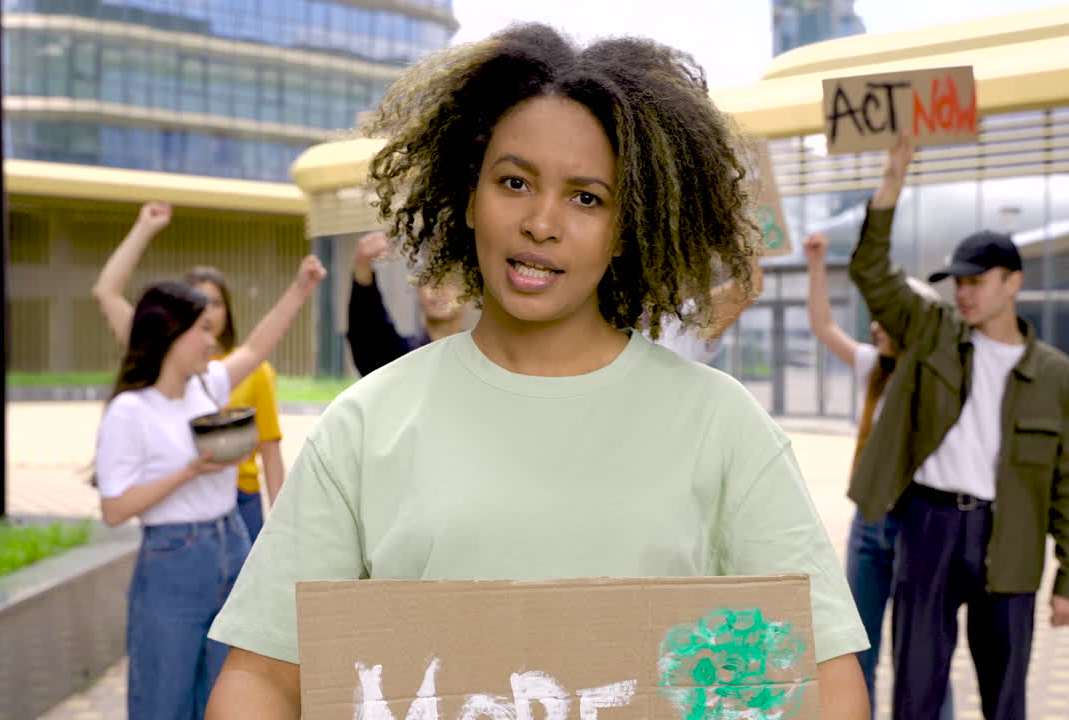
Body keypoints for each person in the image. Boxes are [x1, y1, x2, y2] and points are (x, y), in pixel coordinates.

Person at [205, 24, 870, 720]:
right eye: (514, 182)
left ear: (627, 228)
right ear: (468, 197)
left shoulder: (721, 424)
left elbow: (823, 676)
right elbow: (266, 677)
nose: (542, 222)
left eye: (587, 197)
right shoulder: (367, 423)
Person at [848, 135, 1069, 720]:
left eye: (975, 280)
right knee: (915, 691)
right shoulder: (930, 329)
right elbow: (869, 271)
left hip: (1008, 535)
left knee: (1005, 696)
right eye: (956, 281)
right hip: (929, 525)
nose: (961, 292)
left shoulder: (1057, 375)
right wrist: (892, 179)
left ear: (1012, 282)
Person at [94, 257, 325, 720]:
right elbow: (115, 508)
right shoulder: (130, 411)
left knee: (226, 696)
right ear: (170, 334)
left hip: (232, 544)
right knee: (164, 698)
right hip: (174, 561)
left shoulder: (208, 387)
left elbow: (258, 348)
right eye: (201, 330)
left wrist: (300, 289)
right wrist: (190, 471)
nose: (212, 340)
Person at [803, 231, 954, 720]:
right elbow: (824, 326)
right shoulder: (875, 369)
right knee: (855, 646)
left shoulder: (938, 377)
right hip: (871, 525)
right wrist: (817, 264)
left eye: (886, 319)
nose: (874, 328)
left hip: (920, 523)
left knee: (923, 653)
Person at [92, 203, 284, 540]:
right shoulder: (161, 360)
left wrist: (283, 522)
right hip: (184, 514)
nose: (208, 310)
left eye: (215, 302)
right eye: (199, 303)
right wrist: (144, 228)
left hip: (240, 500)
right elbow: (106, 292)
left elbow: (270, 448)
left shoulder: (242, 370)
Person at [346, 230, 465, 376]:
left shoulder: (484, 358)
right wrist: (362, 266)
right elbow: (370, 343)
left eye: (450, 281)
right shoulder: (403, 359)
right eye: (429, 280)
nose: (439, 290)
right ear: (418, 291)